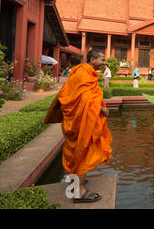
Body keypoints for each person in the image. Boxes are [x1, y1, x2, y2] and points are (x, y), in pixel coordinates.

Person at [57, 49, 112, 203]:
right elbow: (84, 99)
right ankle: (79, 193)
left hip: (77, 120)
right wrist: (102, 109)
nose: (104, 63)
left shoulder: (84, 72)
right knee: (83, 151)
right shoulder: (83, 74)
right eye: (102, 60)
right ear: (92, 59)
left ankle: (76, 181)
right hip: (79, 122)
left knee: (78, 151)